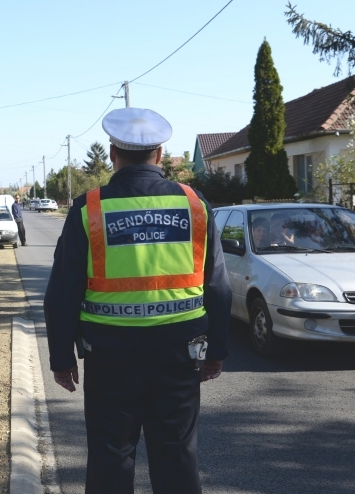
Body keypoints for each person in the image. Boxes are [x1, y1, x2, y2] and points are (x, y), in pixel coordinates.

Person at [44, 108, 232, 494]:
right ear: (160, 156)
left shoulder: (89, 209)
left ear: (113, 153)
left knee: (111, 459)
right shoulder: (196, 205)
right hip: (180, 358)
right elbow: (218, 287)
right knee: (178, 458)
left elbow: (63, 292)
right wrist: (218, 351)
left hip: (110, 359)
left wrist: (62, 359)